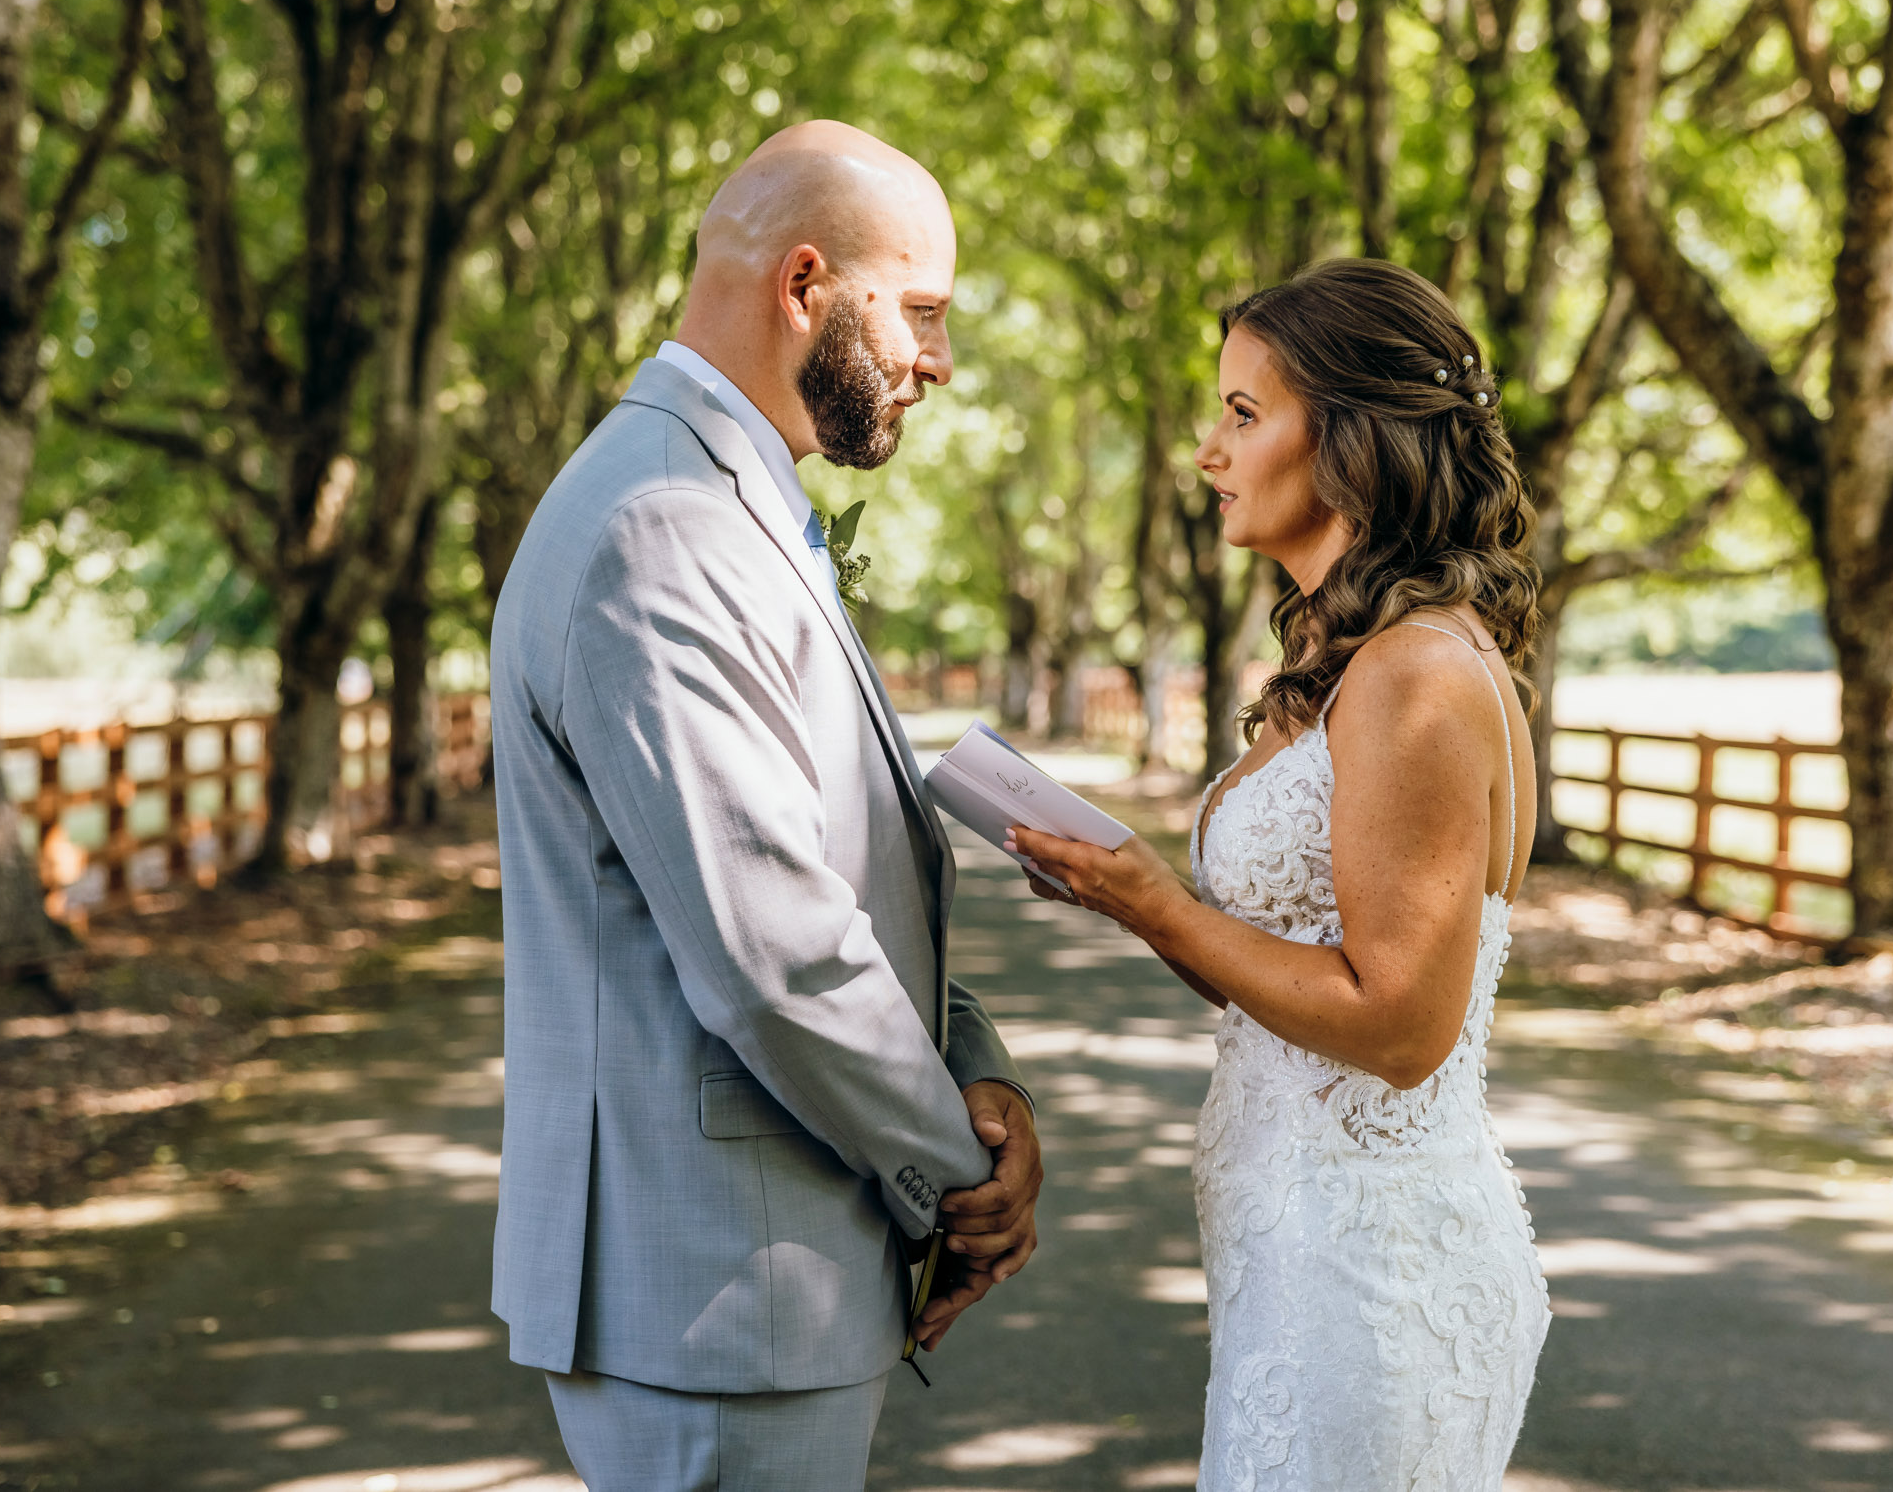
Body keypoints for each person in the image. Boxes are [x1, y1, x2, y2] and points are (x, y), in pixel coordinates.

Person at [488, 120, 1043, 1491]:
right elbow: (777, 950)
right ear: (806, 286)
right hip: (716, 1294)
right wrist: (954, 1174)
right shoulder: (661, 526)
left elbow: (842, 863)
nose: (941, 361)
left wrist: (975, 1064)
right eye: (919, 311)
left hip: (756, 1282)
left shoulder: (722, 500)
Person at [1012, 257, 1553, 1491]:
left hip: (1367, 1276)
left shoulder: (1413, 676)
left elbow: (1400, 1024)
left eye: (1244, 415)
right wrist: (1131, 905)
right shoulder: (1354, 656)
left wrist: (1156, 899)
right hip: (1298, 1256)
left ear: (1354, 439)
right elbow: (1308, 990)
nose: (1208, 451)